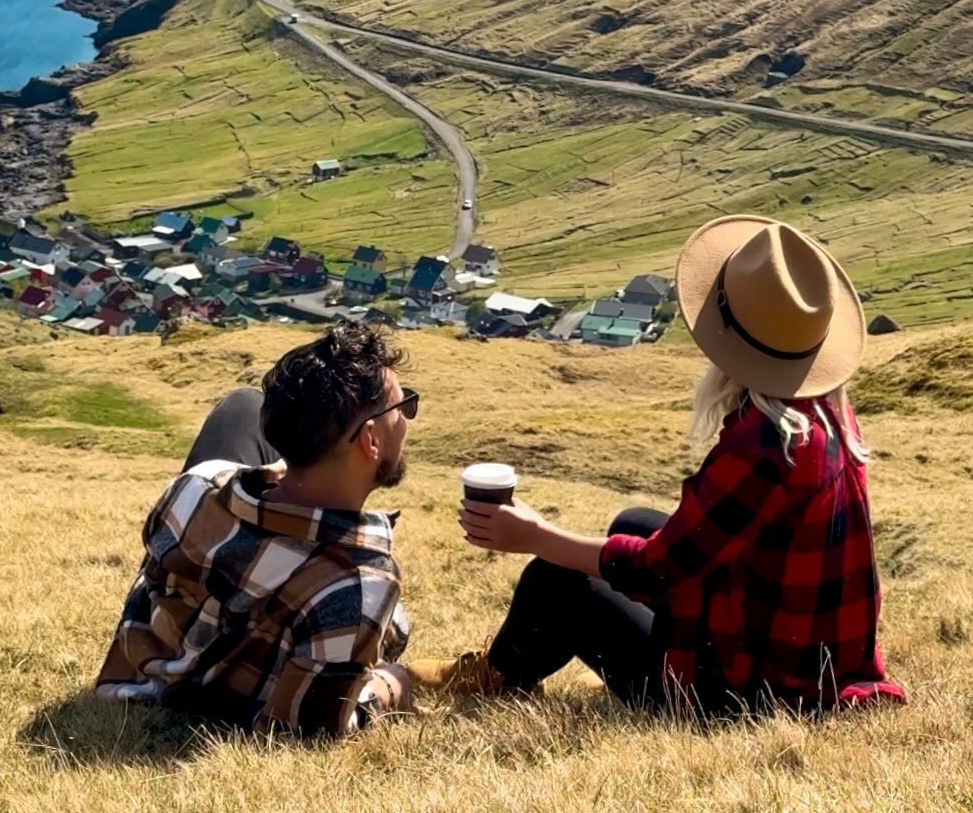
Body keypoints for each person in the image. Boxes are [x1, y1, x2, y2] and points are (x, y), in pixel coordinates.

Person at [422, 217, 906, 715]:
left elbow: (659, 572)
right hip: (811, 662)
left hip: (752, 695)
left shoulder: (765, 447)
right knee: (632, 522)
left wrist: (537, 535)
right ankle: (518, 663)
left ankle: (496, 677)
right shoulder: (824, 414)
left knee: (557, 578)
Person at [96, 323, 419, 737]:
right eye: (402, 407)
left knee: (241, 405)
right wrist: (391, 685)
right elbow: (308, 730)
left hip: (141, 683)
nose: (407, 420)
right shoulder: (358, 585)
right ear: (370, 440)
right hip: (233, 715)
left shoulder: (198, 486)